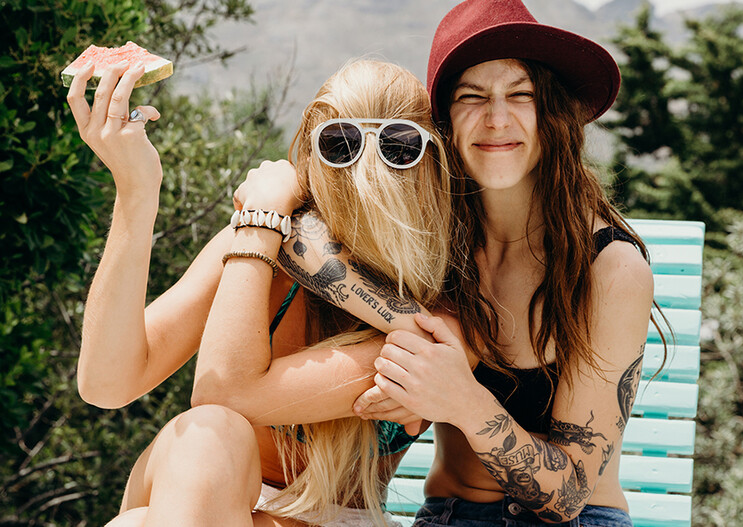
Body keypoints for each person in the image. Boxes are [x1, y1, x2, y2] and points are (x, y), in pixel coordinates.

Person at [288, 1, 660, 525]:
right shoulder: (436, 234)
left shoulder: (609, 267)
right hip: (446, 515)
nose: (497, 119)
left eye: (520, 95)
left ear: (552, 112)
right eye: (473, 97)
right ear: (443, 121)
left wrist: (460, 398)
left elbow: (571, 491)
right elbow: (300, 235)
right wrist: (427, 335)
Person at [67, 58, 459, 526]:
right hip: (205, 490)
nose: (367, 169)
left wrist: (259, 218)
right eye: (339, 144)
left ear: (433, 163)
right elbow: (107, 384)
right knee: (209, 438)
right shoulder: (264, 242)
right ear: (307, 158)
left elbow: (223, 389)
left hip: (332, 517)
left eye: (399, 146)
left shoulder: (443, 301)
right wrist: (136, 191)